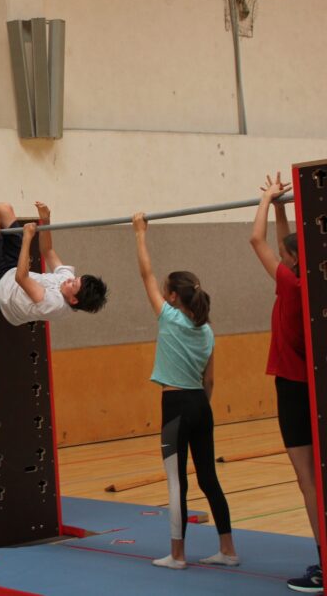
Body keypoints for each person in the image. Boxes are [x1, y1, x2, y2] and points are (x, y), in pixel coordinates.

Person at [131, 212, 238, 570]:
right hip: (199, 405)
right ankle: (228, 549)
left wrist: (140, 233)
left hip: (175, 404)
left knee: (177, 483)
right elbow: (210, 381)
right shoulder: (206, 330)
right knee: (209, 477)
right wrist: (201, 408)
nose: (161, 290)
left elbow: (145, 273)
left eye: (166, 288)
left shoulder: (169, 317)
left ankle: (177, 555)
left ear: (173, 296)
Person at [249, 174, 321, 593]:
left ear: (291, 261)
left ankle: (323, 560)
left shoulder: (290, 286)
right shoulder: (307, 281)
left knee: (306, 478)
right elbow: (281, 244)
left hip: (293, 389)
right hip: (306, 385)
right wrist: (281, 207)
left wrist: (264, 201)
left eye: (285, 254)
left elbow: (255, 242)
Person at [0, 180, 107, 325]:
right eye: (75, 279)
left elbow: (21, 278)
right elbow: (47, 250)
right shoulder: (67, 281)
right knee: (5, 209)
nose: (70, 280)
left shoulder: (54, 305)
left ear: (73, 300)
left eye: (73, 284)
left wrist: (27, 238)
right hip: (14, 270)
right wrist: (45, 220)